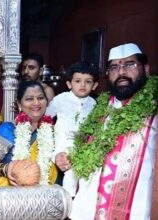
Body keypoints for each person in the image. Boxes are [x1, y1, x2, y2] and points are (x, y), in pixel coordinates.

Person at [61, 43, 158, 219]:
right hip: (87, 211)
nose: (121, 72)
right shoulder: (98, 110)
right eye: (114, 67)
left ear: (146, 68)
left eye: (129, 65)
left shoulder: (154, 110)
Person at [0, 81, 58, 187]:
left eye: (40, 98)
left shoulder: (54, 132)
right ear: (19, 104)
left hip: (43, 196)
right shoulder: (8, 130)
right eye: (29, 99)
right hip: (9, 196)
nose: (36, 103)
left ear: (47, 102)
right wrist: (6, 169)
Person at [46, 61, 99, 196]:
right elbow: (46, 118)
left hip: (83, 147)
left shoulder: (94, 104)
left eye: (88, 82)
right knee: (70, 174)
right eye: (77, 81)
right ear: (69, 84)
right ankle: (68, 201)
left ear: (94, 85)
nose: (82, 85)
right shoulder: (61, 99)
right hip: (62, 145)